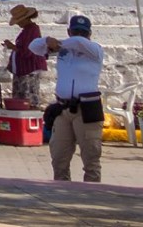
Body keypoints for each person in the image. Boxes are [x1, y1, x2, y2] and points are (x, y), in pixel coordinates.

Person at [31, 13, 104, 183]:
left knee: (91, 158)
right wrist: (48, 40)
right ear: (69, 31)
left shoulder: (95, 50)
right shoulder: (63, 50)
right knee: (59, 157)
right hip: (63, 108)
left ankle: (92, 197)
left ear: (89, 34)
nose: (79, 35)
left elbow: (79, 42)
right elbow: (34, 47)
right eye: (75, 31)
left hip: (86, 108)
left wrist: (59, 44)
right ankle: (62, 192)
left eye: (83, 32)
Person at [3, 4, 47, 106]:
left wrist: (12, 46)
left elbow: (27, 51)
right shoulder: (26, 31)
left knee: (27, 97)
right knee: (21, 96)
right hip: (23, 69)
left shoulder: (32, 30)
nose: (18, 24)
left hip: (29, 69)